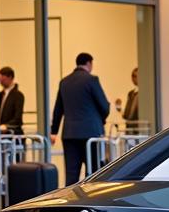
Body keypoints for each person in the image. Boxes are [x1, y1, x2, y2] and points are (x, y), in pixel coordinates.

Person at [50, 52, 111, 185]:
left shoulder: (64, 82)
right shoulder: (91, 80)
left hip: (70, 134)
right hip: (91, 134)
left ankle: (72, 203)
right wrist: (101, 120)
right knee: (94, 173)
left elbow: (58, 109)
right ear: (89, 63)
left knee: (71, 175)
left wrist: (54, 131)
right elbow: (104, 106)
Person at [0, 66, 25, 134]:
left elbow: (17, 118)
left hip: (13, 133)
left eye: (3, 79)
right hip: (1, 133)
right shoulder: (0, 95)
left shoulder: (18, 95)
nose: (0, 82)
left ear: (10, 77)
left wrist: (6, 126)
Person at [117, 67, 139, 133]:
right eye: (132, 76)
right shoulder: (131, 93)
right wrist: (119, 107)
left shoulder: (144, 93)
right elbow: (127, 115)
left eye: (135, 76)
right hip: (130, 128)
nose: (133, 78)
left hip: (139, 128)